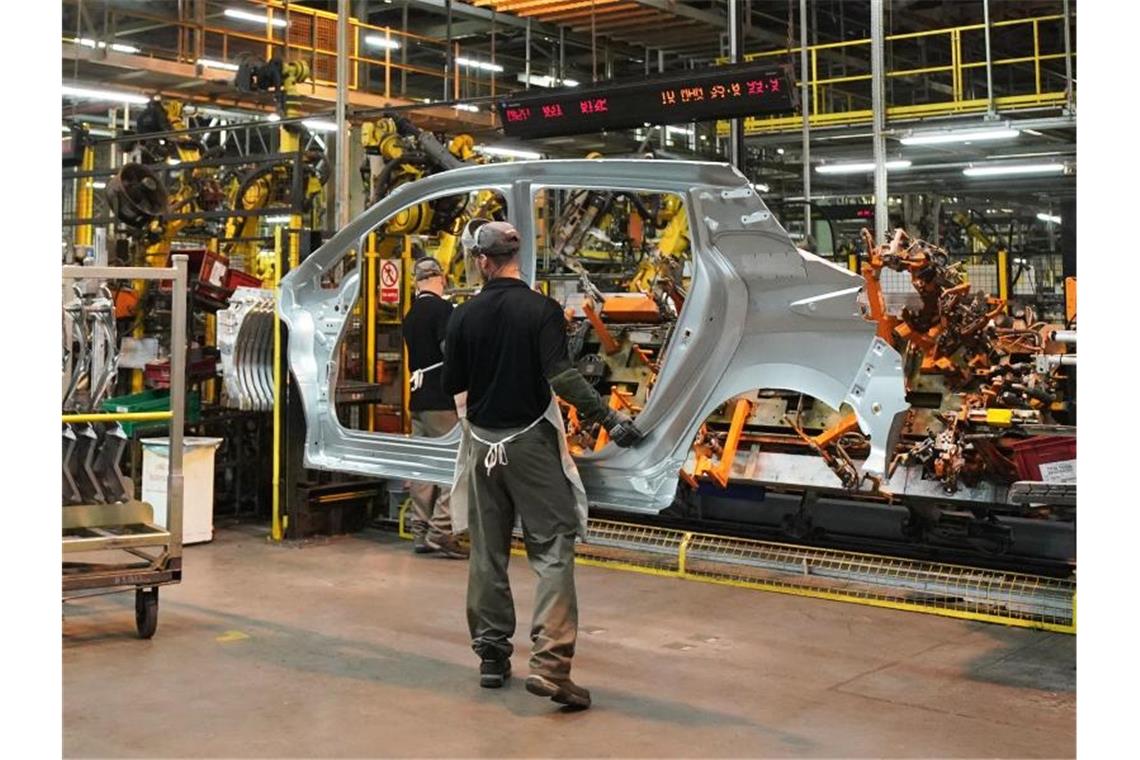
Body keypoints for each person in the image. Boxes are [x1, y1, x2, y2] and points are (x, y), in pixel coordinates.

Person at [441, 219, 643, 710]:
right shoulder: (542, 310)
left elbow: (456, 389)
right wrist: (610, 419)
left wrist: (478, 431)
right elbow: (563, 377)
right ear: (515, 258)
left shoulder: (463, 316)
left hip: (482, 446)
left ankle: (491, 657)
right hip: (530, 443)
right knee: (552, 549)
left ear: (483, 262)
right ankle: (551, 668)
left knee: (487, 551)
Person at [401, 256, 468, 560]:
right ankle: (441, 532)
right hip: (442, 399)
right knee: (453, 464)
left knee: (422, 467)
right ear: (439, 279)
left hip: (418, 399)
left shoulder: (410, 314)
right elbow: (449, 350)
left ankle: (420, 530)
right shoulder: (443, 309)